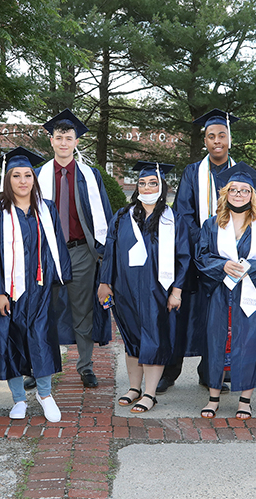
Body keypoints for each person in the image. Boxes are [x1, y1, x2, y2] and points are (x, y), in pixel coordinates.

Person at [0, 147, 70, 422]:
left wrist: (58, 279)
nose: (23, 181)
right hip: (9, 290)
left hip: (40, 289)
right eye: (16, 176)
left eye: (28, 175)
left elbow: (57, 246)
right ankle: (18, 398)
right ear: (7, 180)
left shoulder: (46, 209)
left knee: (41, 339)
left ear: (34, 178)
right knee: (10, 341)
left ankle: (45, 395)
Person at [98, 162, 190, 413]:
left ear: (162, 187)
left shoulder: (174, 219)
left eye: (153, 183)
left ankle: (150, 393)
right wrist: (105, 282)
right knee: (132, 339)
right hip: (125, 288)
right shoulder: (121, 216)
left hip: (158, 290)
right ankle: (134, 387)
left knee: (154, 339)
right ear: (136, 187)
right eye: (142, 183)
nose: (147, 187)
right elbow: (110, 251)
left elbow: (183, 257)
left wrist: (177, 291)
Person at [159, 108, 240, 394]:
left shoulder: (239, 173)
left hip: (228, 259)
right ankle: (170, 372)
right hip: (195, 256)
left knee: (217, 316)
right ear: (204, 141)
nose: (216, 140)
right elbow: (183, 214)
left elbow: (248, 215)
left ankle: (210, 372)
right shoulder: (193, 172)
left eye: (221, 135)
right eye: (210, 136)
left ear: (230, 138)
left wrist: (227, 250)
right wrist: (206, 245)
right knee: (181, 315)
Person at [195, 163, 256, 419]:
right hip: (221, 292)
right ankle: (213, 397)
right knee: (217, 342)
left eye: (244, 191)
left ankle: (245, 399)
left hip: (252, 294)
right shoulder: (212, 225)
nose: (238, 195)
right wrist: (222, 264)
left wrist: (248, 268)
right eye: (233, 190)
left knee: (249, 342)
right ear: (226, 193)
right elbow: (201, 256)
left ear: (252, 195)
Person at [35, 109, 113, 389]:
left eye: (69, 138)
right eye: (59, 138)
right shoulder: (37, 176)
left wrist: (104, 256)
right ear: (51, 141)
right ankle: (39, 365)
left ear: (76, 141)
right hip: (46, 253)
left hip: (81, 252)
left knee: (83, 311)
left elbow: (105, 213)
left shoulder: (90, 176)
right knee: (43, 310)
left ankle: (86, 366)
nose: (64, 143)